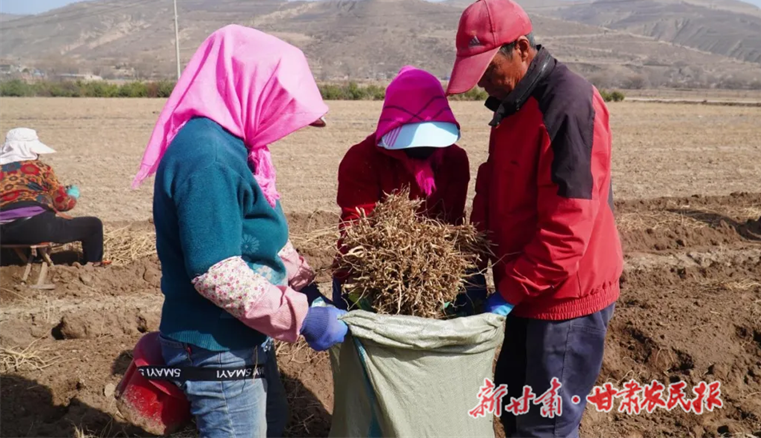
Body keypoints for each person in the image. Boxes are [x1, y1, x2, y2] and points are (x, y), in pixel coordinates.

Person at [130, 24, 348, 438]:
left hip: (243, 333)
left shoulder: (241, 148)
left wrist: (306, 288)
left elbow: (261, 235)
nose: (283, 127)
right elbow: (216, 273)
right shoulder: (208, 159)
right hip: (215, 346)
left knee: (272, 424)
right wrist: (302, 318)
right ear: (252, 91)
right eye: (279, 110)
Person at [446, 0, 623, 437]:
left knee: (546, 426)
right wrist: (473, 260)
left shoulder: (567, 105)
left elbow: (568, 227)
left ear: (522, 49)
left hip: (564, 300)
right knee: (512, 409)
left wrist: (509, 292)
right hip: (526, 287)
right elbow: (493, 185)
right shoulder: (512, 102)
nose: (484, 84)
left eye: (489, 71)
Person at [333, 65, 473, 309]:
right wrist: (385, 275)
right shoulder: (362, 159)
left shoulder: (454, 160)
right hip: (368, 277)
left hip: (435, 277)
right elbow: (356, 230)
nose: (423, 147)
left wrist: (433, 273)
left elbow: (450, 223)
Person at [0, 127, 105, 265]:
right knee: (93, 225)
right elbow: (63, 204)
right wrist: (72, 195)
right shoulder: (42, 169)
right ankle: (94, 267)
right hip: (36, 228)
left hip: (2, 233)